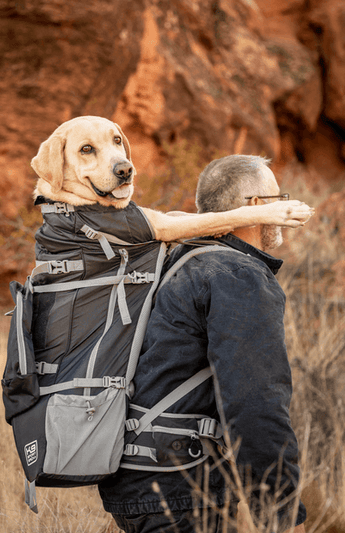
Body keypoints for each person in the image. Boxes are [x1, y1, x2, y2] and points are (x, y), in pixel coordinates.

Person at [98, 155, 308, 533]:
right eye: (280, 198)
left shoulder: (176, 259)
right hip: (180, 486)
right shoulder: (238, 274)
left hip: (132, 478)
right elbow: (255, 400)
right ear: (259, 207)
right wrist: (280, 510)